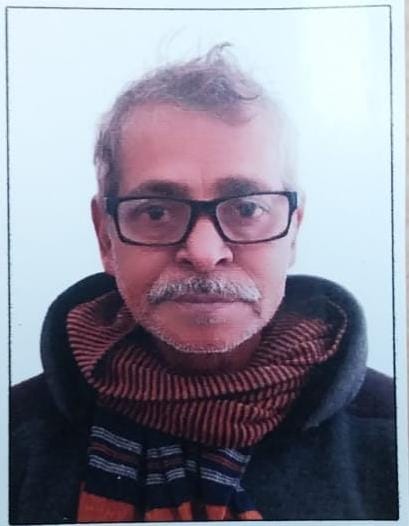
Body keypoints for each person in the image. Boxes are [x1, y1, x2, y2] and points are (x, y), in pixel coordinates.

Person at [10, 44, 397, 523]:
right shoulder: (15, 440)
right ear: (105, 236)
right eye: (156, 212)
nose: (204, 252)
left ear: (294, 230)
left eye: (247, 208)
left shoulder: (392, 434)